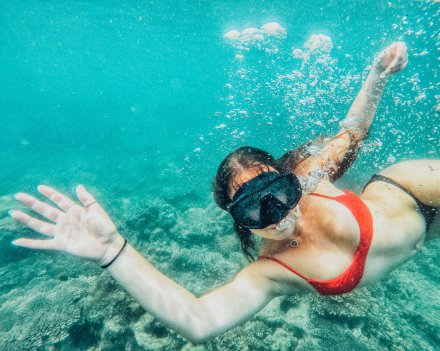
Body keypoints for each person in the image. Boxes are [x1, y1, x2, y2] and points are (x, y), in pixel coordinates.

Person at [9, 42, 439, 343]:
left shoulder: (312, 176)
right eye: (254, 208)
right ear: (239, 220)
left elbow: (353, 132)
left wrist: (377, 74)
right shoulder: (270, 274)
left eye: (278, 190)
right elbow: (199, 320)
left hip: (412, 190)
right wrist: (113, 251)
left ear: (293, 179)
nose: (275, 212)